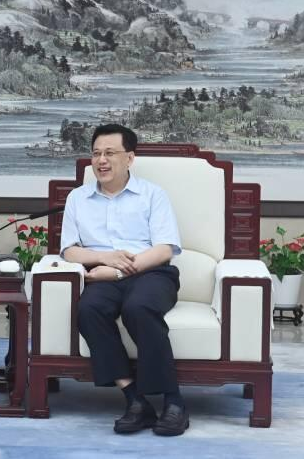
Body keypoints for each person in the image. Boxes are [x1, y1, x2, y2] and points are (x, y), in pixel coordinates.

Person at [60, 124, 188, 436]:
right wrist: (104, 258)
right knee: (88, 310)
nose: (101, 160)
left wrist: (118, 271)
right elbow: (69, 251)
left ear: (129, 158)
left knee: (138, 308)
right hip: (101, 276)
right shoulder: (78, 198)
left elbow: (164, 248)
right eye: (96, 154)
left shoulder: (152, 195)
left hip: (152, 273)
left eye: (110, 153)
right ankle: (135, 400)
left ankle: (174, 402)